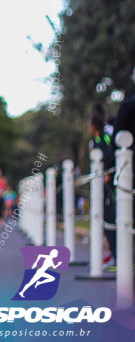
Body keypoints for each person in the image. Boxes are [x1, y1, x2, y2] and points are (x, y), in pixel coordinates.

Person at [88, 105, 117, 269]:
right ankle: (111, 253)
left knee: (111, 218)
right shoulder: (93, 141)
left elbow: (112, 155)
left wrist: (108, 175)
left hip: (109, 186)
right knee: (103, 219)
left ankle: (117, 255)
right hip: (99, 186)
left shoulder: (106, 138)